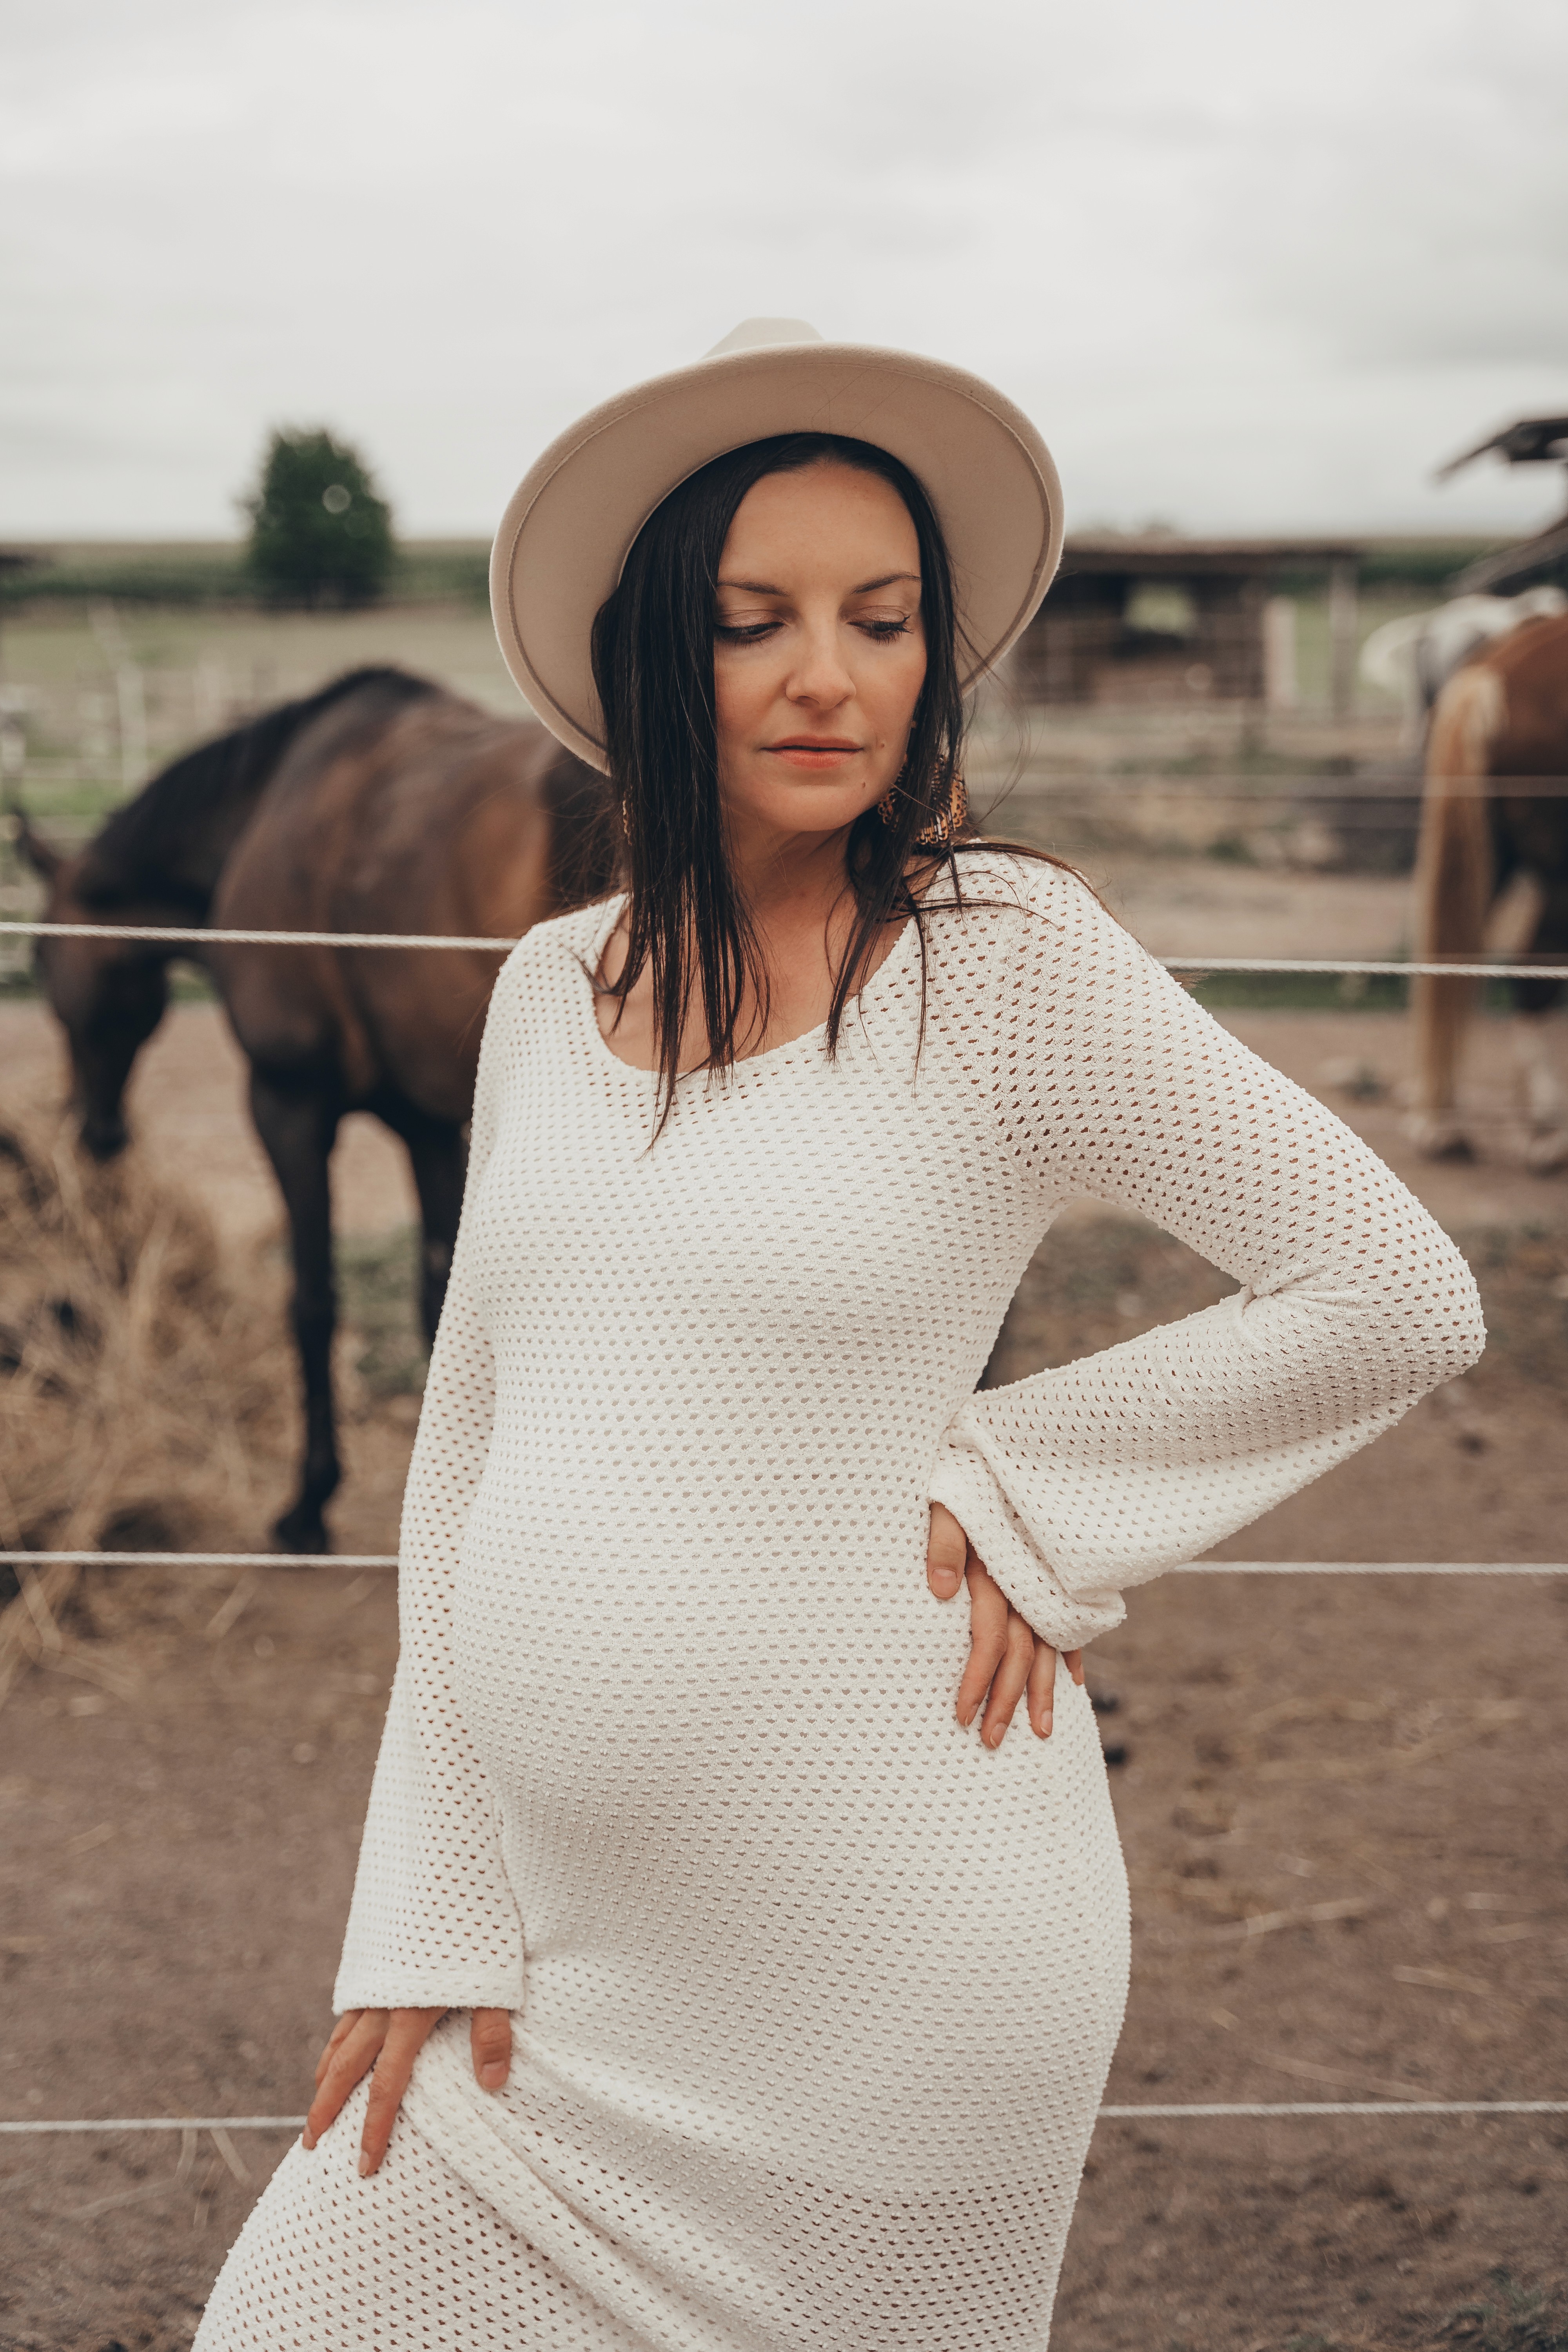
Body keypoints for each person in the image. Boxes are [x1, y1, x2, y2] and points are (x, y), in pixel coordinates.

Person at [196, 321, 1484, 2350]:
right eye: (754, 618)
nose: (829, 672)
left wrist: (1028, 1479)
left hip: (898, 1990)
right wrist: (423, 1907)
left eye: (883, 619)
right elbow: (464, 1455)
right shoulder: (541, 992)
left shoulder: (1004, 963)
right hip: (557, 1977)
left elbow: (1396, 1287)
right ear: (649, 654)